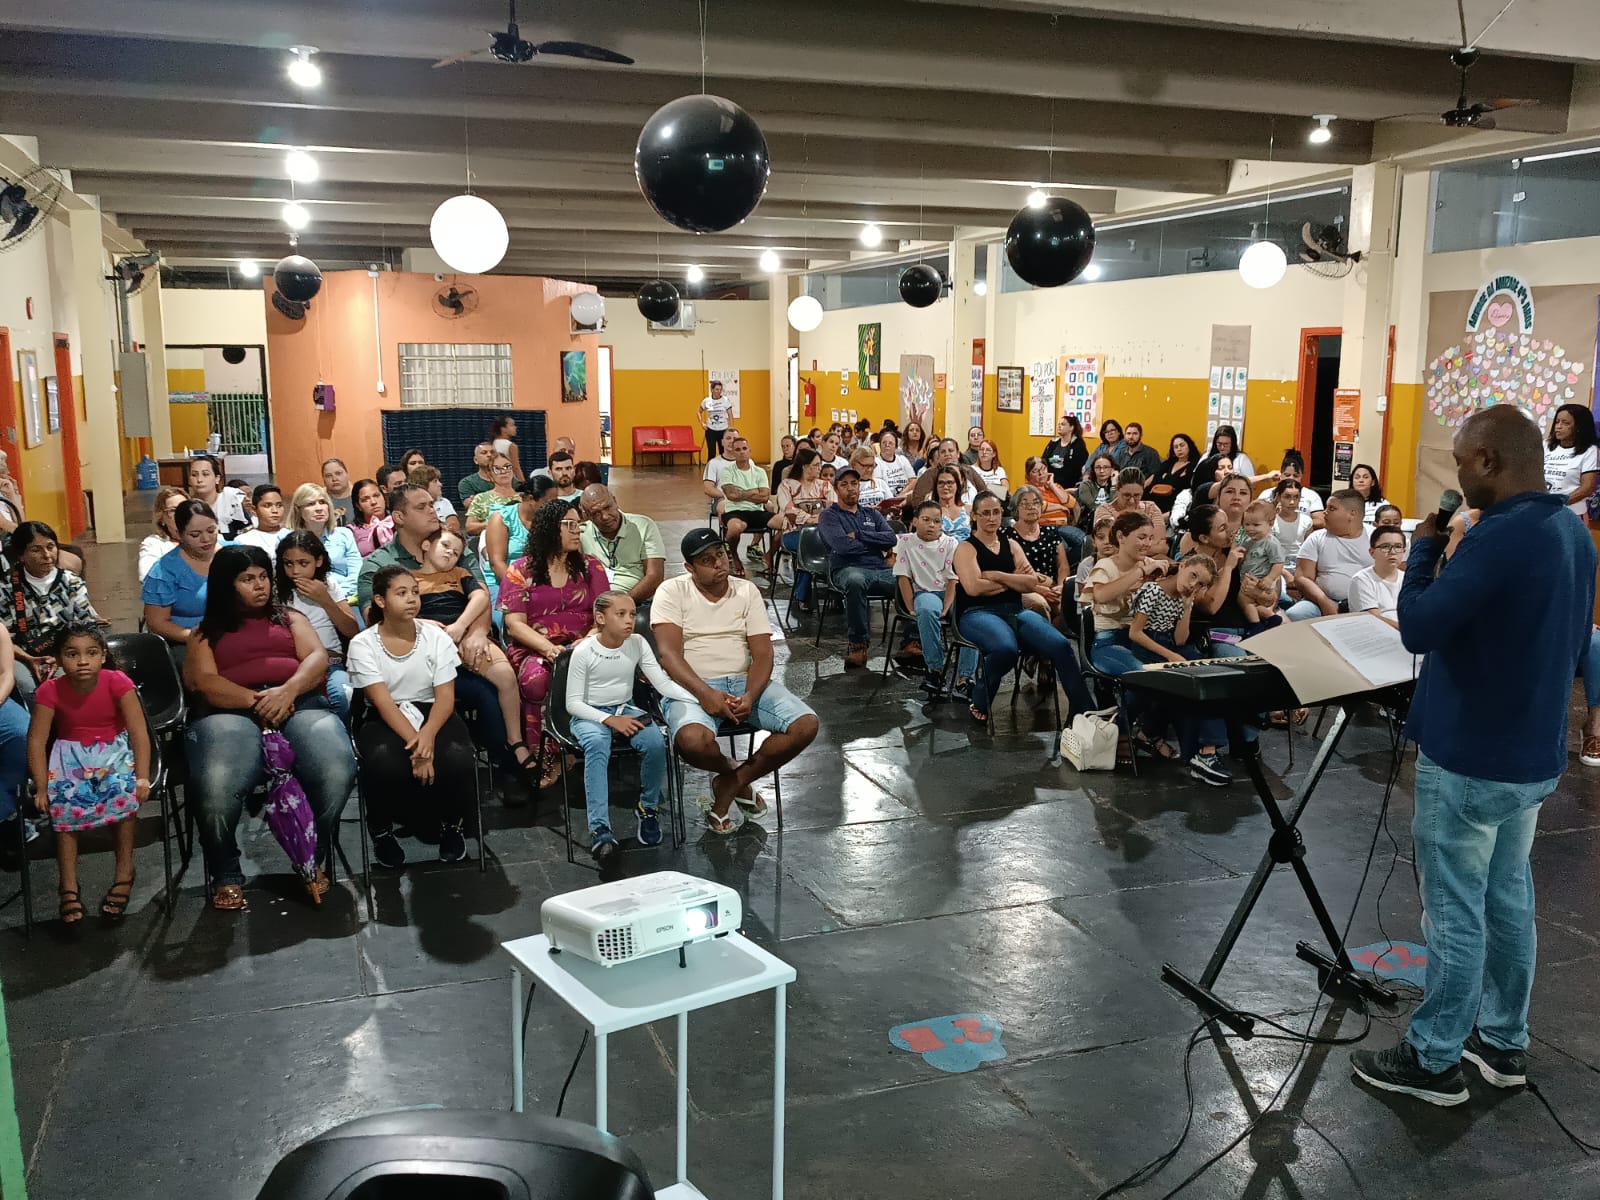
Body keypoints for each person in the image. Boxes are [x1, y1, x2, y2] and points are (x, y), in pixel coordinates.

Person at [1351, 405, 1596, 1106]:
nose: (1457, 476)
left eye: (1461, 462)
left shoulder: (1500, 537)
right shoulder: (1572, 531)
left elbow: (1420, 627)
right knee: (1508, 897)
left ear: (1488, 459)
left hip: (1471, 754)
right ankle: (1502, 1041)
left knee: (1455, 909)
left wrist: (1426, 549)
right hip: (1532, 750)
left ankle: (1432, 1060)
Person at [185, 546, 356, 910]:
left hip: (298, 702)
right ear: (226, 585)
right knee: (216, 783)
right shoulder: (204, 632)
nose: (259, 585)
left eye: (263, 576)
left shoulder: (290, 618)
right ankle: (225, 870)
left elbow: (318, 659)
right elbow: (203, 682)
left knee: (337, 768)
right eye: (247, 579)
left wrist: (287, 691)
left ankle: (310, 856)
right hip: (230, 709)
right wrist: (257, 701)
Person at [652, 528, 819, 834]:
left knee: (806, 725)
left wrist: (751, 695)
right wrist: (705, 694)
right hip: (692, 686)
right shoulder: (672, 591)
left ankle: (731, 783)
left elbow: (763, 654)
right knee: (691, 741)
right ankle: (733, 774)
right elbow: (668, 656)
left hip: (743, 683)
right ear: (690, 567)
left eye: (720, 554)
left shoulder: (746, 591)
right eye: (707, 560)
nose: (719, 563)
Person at [348, 565, 477, 868]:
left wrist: (428, 736)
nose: (411, 599)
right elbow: (382, 702)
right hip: (386, 715)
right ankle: (381, 829)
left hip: (433, 711)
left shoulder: (435, 636)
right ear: (380, 600)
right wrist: (419, 748)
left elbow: (445, 698)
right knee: (384, 761)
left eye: (415, 592)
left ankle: (453, 825)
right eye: (402, 593)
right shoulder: (363, 644)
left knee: (457, 757)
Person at [27, 624, 151, 923]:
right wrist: (42, 786)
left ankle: (124, 872)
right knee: (63, 813)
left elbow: (138, 732)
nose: (83, 661)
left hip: (113, 754)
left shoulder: (117, 682)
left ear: (103, 656)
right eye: (72, 654)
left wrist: (143, 776)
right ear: (59, 658)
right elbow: (37, 740)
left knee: (124, 801)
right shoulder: (49, 691)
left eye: (91, 653)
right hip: (69, 758)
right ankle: (68, 884)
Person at [566, 591, 697, 863]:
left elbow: (662, 684)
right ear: (600, 618)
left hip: (624, 708)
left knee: (655, 743)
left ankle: (648, 808)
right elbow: (573, 704)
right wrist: (609, 720)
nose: (630, 620)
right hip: (590, 714)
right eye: (621, 614)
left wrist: (700, 699)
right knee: (597, 745)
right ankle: (600, 828)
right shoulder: (584, 651)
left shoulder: (637, 642)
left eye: (632, 614)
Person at [953, 492, 1092, 726]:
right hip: (976, 612)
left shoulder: (1011, 545)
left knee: (1061, 645)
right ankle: (980, 697)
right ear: (974, 516)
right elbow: (974, 588)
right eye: (985, 513)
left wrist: (998, 576)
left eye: (996, 512)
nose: (991, 518)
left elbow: (1030, 583)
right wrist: (1013, 579)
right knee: (1005, 649)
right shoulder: (966, 549)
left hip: (1015, 610)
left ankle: (1084, 710)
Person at [500, 500, 609, 787]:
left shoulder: (591, 567)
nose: (577, 531)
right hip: (537, 647)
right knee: (538, 678)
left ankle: (582, 744)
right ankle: (548, 752)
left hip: (586, 644)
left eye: (579, 525)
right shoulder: (521, 570)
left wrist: (587, 641)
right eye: (569, 525)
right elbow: (514, 624)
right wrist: (549, 650)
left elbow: (605, 613)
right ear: (550, 528)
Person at [412, 527, 531, 775]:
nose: (450, 553)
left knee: (505, 676)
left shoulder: (460, 574)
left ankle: (515, 741)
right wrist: (422, 624)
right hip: (429, 646)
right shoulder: (410, 579)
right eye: (445, 546)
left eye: (456, 552)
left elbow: (480, 597)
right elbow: (395, 612)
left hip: (463, 638)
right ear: (426, 545)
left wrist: (461, 626)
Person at [5, 520, 103, 703]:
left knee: (71, 679)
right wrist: (29, 659)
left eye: (50, 547)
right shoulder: (7, 588)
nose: (47, 555)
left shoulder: (71, 582)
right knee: (27, 685)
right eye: (36, 550)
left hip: (68, 652)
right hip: (21, 655)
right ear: (21, 555)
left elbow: (87, 628)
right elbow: (4, 638)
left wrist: (60, 659)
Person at [894, 499, 977, 696]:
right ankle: (935, 671)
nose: (932, 525)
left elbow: (953, 579)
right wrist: (910, 606)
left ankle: (965, 677)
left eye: (937, 521)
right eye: (926, 520)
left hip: (950, 592)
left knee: (972, 615)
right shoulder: (905, 542)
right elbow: (903, 577)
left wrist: (947, 606)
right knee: (926, 609)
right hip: (924, 592)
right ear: (915, 521)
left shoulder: (950, 543)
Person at [819, 466, 899, 668]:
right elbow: (842, 546)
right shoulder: (829, 516)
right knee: (856, 581)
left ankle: (913, 641)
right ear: (836, 489)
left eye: (854, 483)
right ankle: (857, 644)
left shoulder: (872, 514)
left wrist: (860, 535)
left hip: (880, 569)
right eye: (844, 484)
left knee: (908, 579)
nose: (851, 488)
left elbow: (891, 539)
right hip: (847, 568)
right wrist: (875, 544)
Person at [358, 483, 481, 611]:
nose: (432, 511)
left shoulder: (453, 548)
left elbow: (483, 600)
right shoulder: (377, 564)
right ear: (399, 517)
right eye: (421, 507)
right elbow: (372, 617)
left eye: (431, 505)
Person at [276, 530, 358, 718]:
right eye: (289, 564)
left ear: (318, 561)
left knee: (344, 694)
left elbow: (352, 630)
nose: (295, 571)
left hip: (332, 662)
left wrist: (325, 599)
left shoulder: (328, 584)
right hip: (295, 664)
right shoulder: (277, 590)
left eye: (303, 563)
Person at [142, 499, 222, 661]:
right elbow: (157, 623)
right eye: (195, 535)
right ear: (179, 534)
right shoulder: (164, 571)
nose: (206, 539)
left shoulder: (233, 555)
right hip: (184, 641)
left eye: (211, 530)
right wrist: (195, 637)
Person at [578, 484, 666, 620]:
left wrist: (622, 603)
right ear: (586, 515)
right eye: (596, 513)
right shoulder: (580, 534)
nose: (605, 516)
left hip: (637, 602)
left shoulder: (643, 526)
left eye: (608, 507)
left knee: (641, 620)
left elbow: (655, 576)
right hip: (595, 605)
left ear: (615, 501)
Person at [1286, 490, 1369, 619]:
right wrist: (1324, 601)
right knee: (1295, 614)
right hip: (1320, 601)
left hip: (1368, 603)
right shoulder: (1316, 537)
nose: (1325, 512)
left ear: (1352, 514)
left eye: (1332, 508)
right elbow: (1302, 577)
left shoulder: (1376, 538)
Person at [776, 449, 834, 612]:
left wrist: (821, 518)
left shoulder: (825, 486)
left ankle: (835, 592)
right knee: (808, 546)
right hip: (793, 533)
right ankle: (802, 595)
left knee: (836, 545)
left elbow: (834, 507)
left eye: (820, 465)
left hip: (821, 533)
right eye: (816, 465)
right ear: (805, 466)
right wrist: (810, 519)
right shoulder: (787, 485)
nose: (819, 468)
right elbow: (788, 509)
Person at [1008, 486, 1073, 617]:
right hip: (1024, 587)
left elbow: (1063, 566)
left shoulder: (1050, 531)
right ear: (1016, 509)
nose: (1031, 507)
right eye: (1025, 503)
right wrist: (1039, 590)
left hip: (1052, 586)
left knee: (1067, 604)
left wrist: (1061, 586)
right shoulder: (1006, 535)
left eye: (1036, 503)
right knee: (1040, 604)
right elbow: (1010, 573)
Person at [718, 435, 775, 578]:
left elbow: (765, 497)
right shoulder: (727, 471)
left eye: (744, 449)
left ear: (749, 451)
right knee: (734, 529)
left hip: (757, 511)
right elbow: (731, 495)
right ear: (733, 452)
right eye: (738, 450)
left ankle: (769, 555)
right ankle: (735, 557)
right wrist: (754, 492)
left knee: (786, 523)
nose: (742, 452)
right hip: (734, 511)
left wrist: (741, 493)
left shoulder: (759, 472)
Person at [286, 483, 365, 584]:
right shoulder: (288, 539)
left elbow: (356, 574)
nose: (319, 508)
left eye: (322, 502)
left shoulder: (344, 534)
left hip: (346, 591)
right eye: (311, 504)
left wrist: (341, 592)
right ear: (298, 510)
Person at [1236, 499, 1286, 628]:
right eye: (1247, 524)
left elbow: (1278, 563)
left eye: (1256, 525)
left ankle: (1255, 625)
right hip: (1249, 580)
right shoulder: (1248, 541)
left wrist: (1269, 579)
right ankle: (1271, 618)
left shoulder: (1271, 543)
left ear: (1270, 523)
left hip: (1262, 581)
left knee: (1243, 600)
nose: (1250, 528)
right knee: (1252, 604)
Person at [1543, 402, 1599, 516]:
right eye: (1557, 422)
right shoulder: (1546, 445)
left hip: (1570, 513)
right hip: (1543, 509)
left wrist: (1559, 502)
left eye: (1566, 423)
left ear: (1579, 427)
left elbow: (1587, 488)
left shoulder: (1590, 451)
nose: (1558, 426)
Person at [1347, 526, 1406, 628]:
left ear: (1404, 551)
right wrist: (1410, 631)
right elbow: (1373, 619)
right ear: (1372, 552)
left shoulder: (1408, 579)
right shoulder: (1361, 580)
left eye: (1398, 546)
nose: (1392, 552)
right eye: (1385, 546)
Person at [1095, 467, 1167, 543]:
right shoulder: (1104, 510)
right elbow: (1110, 543)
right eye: (1127, 495)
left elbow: (1159, 542)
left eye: (1136, 495)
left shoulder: (1151, 508)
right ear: (1117, 490)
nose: (1132, 501)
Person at [907, 439, 987, 506]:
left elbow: (985, 493)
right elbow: (917, 502)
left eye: (950, 451)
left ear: (958, 454)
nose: (947, 454)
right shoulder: (929, 475)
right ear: (939, 456)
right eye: (943, 452)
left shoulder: (969, 471)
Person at [187, 455, 249, 537]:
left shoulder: (231, 500)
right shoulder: (186, 507)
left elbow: (247, 534)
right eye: (194, 475)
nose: (199, 480)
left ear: (217, 478)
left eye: (205, 474)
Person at [1191, 425, 1262, 497]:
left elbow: (1252, 484)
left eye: (1226, 444)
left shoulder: (1241, 459)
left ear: (1232, 444)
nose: (1222, 447)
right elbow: (1196, 478)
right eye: (1219, 444)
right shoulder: (1207, 456)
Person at [1261, 450, 1325, 525]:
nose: (1291, 478)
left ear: (1302, 476)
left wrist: (1296, 524)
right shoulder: (1267, 494)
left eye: (1295, 476)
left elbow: (1321, 521)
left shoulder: (1311, 496)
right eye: (1287, 475)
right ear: (1281, 474)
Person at [466, 452, 521, 537]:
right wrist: (495, 523)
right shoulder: (481, 498)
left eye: (507, 467)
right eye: (497, 469)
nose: (503, 471)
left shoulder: (525, 498)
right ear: (490, 474)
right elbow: (470, 527)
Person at [139, 486, 188, 581]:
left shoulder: (207, 536)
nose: (181, 514)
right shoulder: (153, 544)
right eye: (173, 511)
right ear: (161, 518)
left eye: (184, 508)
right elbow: (147, 577)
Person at [1149, 434, 1200, 513]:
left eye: (1182, 445)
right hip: (1156, 500)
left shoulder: (1194, 466)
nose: (1179, 449)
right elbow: (1155, 481)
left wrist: (1166, 478)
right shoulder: (1167, 464)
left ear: (1189, 446)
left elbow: (1186, 487)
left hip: (1176, 505)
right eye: (1176, 447)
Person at [233, 484, 289, 555]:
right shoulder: (243, 541)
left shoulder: (292, 536)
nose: (275, 510)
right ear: (254, 510)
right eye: (267, 506)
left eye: (279, 505)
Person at [1272, 479, 1315, 569]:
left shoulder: (1306, 521)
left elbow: (1309, 548)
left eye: (1296, 497)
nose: (1292, 502)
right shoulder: (1272, 521)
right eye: (1287, 497)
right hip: (1276, 564)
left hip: (1299, 564)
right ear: (1278, 497)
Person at [408, 464, 460, 533]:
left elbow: (454, 524)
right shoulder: (411, 505)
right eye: (435, 481)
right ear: (423, 484)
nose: (440, 484)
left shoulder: (443, 501)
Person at [1042, 413, 1088, 489]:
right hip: (1050, 482)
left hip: (1069, 484)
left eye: (1063, 424)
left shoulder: (1078, 445)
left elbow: (1076, 466)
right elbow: (1044, 460)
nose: (1059, 426)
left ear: (1071, 427)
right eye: (1058, 424)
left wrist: (1054, 461)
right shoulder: (1053, 442)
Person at [1076, 454, 1119, 526]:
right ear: (1093, 469)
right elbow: (1092, 506)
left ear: (1112, 469)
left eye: (1106, 467)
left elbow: (1116, 505)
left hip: (1113, 522)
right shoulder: (1086, 485)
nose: (1102, 471)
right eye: (1098, 467)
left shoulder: (1118, 487)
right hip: (1090, 522)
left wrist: (1114, 485)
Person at [875, 429, 916, 496]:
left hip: (904, 496)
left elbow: (913, 481)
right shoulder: (876, 462)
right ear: (880, 445)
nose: (887, 445)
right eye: (884, 442)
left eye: (890, 443)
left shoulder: (903, 459)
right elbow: (879, 485)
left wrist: (901, 495)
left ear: (896, 447)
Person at [698, 380, 731, 459]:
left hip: (723, 430)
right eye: (717, 389)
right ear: (712, 390)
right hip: (711, 430)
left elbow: (730, 414)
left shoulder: (725, 400)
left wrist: (731, 428)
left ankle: (723, 467)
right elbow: (699, 412)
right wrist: (702, 423)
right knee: (711, 453)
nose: (719, 391)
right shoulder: (706, 401)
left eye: (720, 389)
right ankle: (710, 466)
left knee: (723, 453)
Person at [458, 441, 497, 506]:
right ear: (476, 460)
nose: (489, 455)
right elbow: (468, 505)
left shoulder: (507, 478)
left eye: (492, 452)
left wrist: (479, 498)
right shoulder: (467, 482)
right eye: (484, 453)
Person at [322, 457, 357, 525]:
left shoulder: (359, 495)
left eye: (338, 473)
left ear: (347, 474)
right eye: (328, 476)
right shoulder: (319, 499)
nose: (334, 479)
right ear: (324, 479)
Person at [490, 415, 524, 481]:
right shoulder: (511, 446)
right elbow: (516, 468)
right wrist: (523, 483)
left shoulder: (492, 443)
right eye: (512, 425)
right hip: (509, 479)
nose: (515, 427)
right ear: (503, 429)